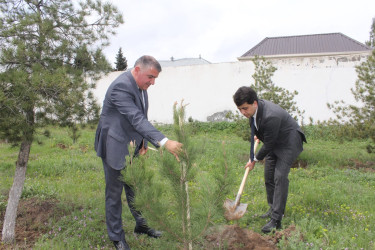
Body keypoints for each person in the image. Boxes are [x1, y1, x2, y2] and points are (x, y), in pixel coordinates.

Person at [94, 55, 183, 249]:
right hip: (114, 144)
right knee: (114, 193)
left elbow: (141, 116)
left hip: (132, 143)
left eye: (155, 79)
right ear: (136, 70)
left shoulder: (141, 87)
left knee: (135, 186)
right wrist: (164, 142)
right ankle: (117, 237)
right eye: (150, 77)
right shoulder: (121, 86)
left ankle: (142, 224)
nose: (152, 82)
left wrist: (142, 142)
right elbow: (136, 118)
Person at [233, 86, 306, 233]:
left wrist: (254, 159)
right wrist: (258, 137)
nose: (243, 112)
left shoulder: (271, 115)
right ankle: (273, 209)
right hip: (274, 140)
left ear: (254, 103)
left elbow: (270, 144)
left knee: (280, 177)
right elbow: (259, 130)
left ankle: (276, 220)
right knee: (269, 176)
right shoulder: (253, 112)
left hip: (288, 142)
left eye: (245, 108)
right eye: (240, 109)